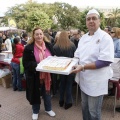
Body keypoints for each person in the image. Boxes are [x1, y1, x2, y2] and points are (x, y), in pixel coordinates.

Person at [71, 9, 114, 120]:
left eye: (94, 18)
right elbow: (77, 55)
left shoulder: (105, 37)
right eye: (88, 19)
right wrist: (68, 63)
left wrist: (83, 66)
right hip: (84, 79)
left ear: (99, 21)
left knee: (93, 112)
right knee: (84, 108)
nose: (91, 21)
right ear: (86, 22)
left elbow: (105, 61)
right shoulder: (83, 38)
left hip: (97, 81)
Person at [22, 27, 56, 120]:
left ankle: (48, 109)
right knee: (35, 93)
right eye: (37, 34)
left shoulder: (49, 45)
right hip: (34, 75)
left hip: (47, 75)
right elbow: (26, 63)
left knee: (47, 93)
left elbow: (54, 57)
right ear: (33, 36)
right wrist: (39, 65)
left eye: (40, 34)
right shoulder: (29, 48)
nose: (39, 36)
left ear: (43, 35)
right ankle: (35, 111)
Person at [53, 31, 76, 109]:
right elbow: (75, 56)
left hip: (61, 69)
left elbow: (54, 58)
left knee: (62, 84)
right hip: (70, 68)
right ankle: (68, 102)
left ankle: (61, 100)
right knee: (69, 85)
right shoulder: (72, 45)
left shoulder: (56, 46)